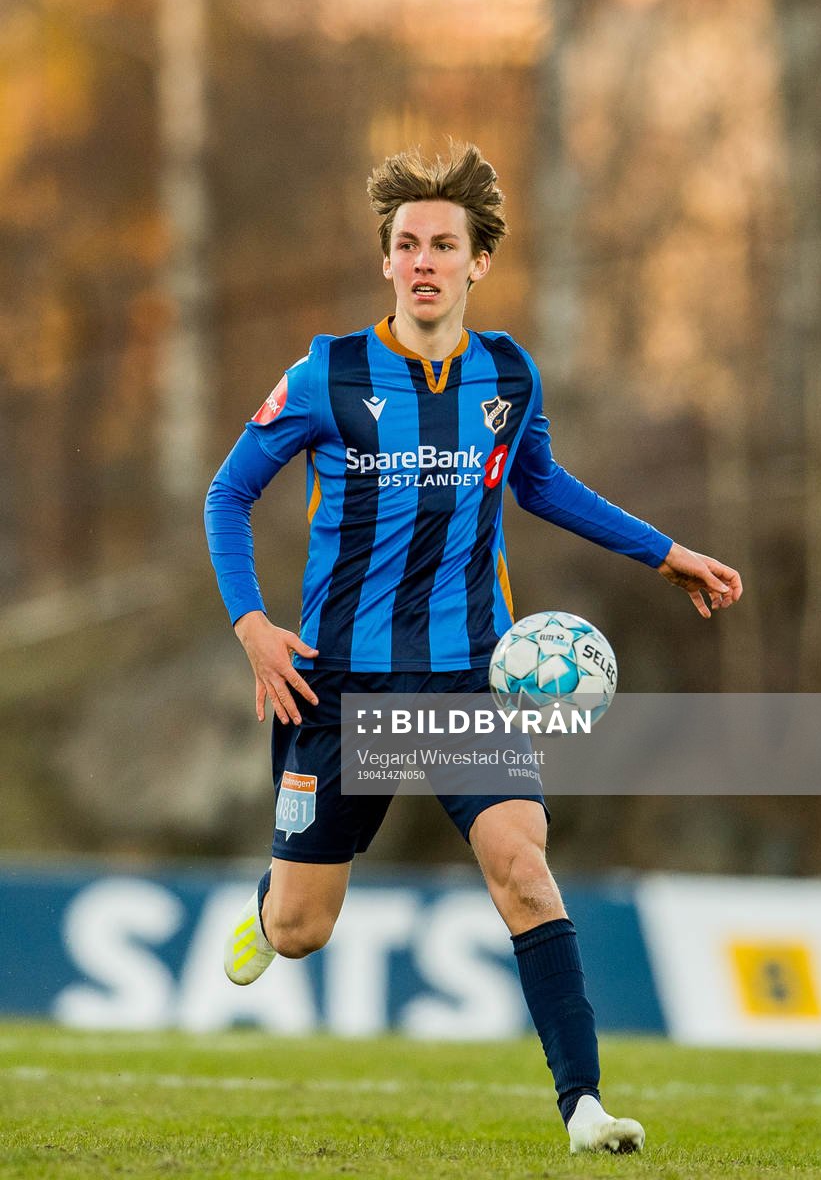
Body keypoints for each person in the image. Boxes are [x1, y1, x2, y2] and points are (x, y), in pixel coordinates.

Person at [204, 143, 742, 1155]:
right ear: (386, 262)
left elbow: (538, 483)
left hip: (465, 675)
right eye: (405, 243)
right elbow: (227, 493)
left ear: (477, 261)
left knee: (522, 867)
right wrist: (250, 623)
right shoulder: (327, 373)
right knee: (299, 929)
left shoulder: (507, 373)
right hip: (340, 683)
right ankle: (267, 902)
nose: (422, 261)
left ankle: (581, 1104)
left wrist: (661, 551)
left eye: (442, 244)